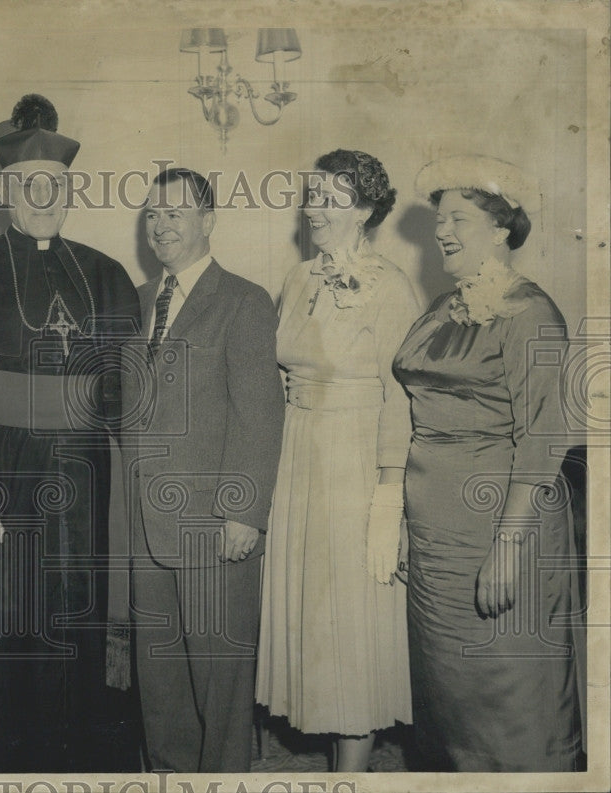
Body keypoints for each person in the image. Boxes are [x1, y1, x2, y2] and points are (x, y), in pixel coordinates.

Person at [0, 95, 141, 772]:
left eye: (56, 184)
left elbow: (130, 397)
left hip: (83, 475)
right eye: (28, 185)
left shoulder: (106, 273)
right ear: (1, 192)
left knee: (78, 623)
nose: (44, 195)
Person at [393, 154, 583, 771]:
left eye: (459, 218)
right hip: (435, 535)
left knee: (507, 694)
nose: (442, 230)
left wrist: (507, 547)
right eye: (439, 218)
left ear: (501, 228)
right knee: (449, 698)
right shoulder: (443, 308)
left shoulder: (531, 312)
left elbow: (542, 440)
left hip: (499, 528)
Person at [255, 150, 418, 770]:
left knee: (352, 612)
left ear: (366, 210)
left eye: (332, 198)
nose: (315, 209)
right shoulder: (297, 279)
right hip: (299, 451)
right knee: (313, 615)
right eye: (311, 195)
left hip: (355, 457)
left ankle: (351, 775)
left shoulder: (391, 284)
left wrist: (388, 495)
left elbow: (400, 397)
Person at [123, 168, 284, 772]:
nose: (160, 225)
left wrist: (243, 514)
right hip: (145, 525)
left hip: (215, 525)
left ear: (208, 222)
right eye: (152, 214)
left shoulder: (243, 300)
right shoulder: (136, 302)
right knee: (158, 678)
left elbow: (259, 416)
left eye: (175, 213)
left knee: (221, 680)